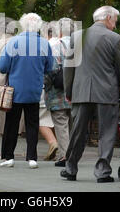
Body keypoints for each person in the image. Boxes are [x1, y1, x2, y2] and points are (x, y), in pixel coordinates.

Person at [60, 6, 120, 183]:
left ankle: (71, 168)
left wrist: (69, 91)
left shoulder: (76, 37)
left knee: (77, 132)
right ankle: (103, 172)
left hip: (80, 91)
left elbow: (69, 67)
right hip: (106, 92)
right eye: (114, 21)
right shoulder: (114, 39)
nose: (114, 25)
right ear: (108, 18)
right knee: (107, 132)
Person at [0, 13, 53, 169]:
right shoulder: (44, 44)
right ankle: (32, 157)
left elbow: (2, 67)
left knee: (11, 124)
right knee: (32, 123)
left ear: (22, 25)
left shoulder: (13, 42)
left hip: (14, 91)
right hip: (35, 89)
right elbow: (50, 67)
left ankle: (9, 156)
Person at [44, 18, 74, 167]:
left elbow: (51, 70)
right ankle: (73, 154)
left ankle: (65, 157)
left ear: (59, 31)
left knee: (61, 125)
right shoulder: (80, 46)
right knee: (72, 125)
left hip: (58, 94)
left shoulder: (54, 46)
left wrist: (45, 86)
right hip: (77, 93)